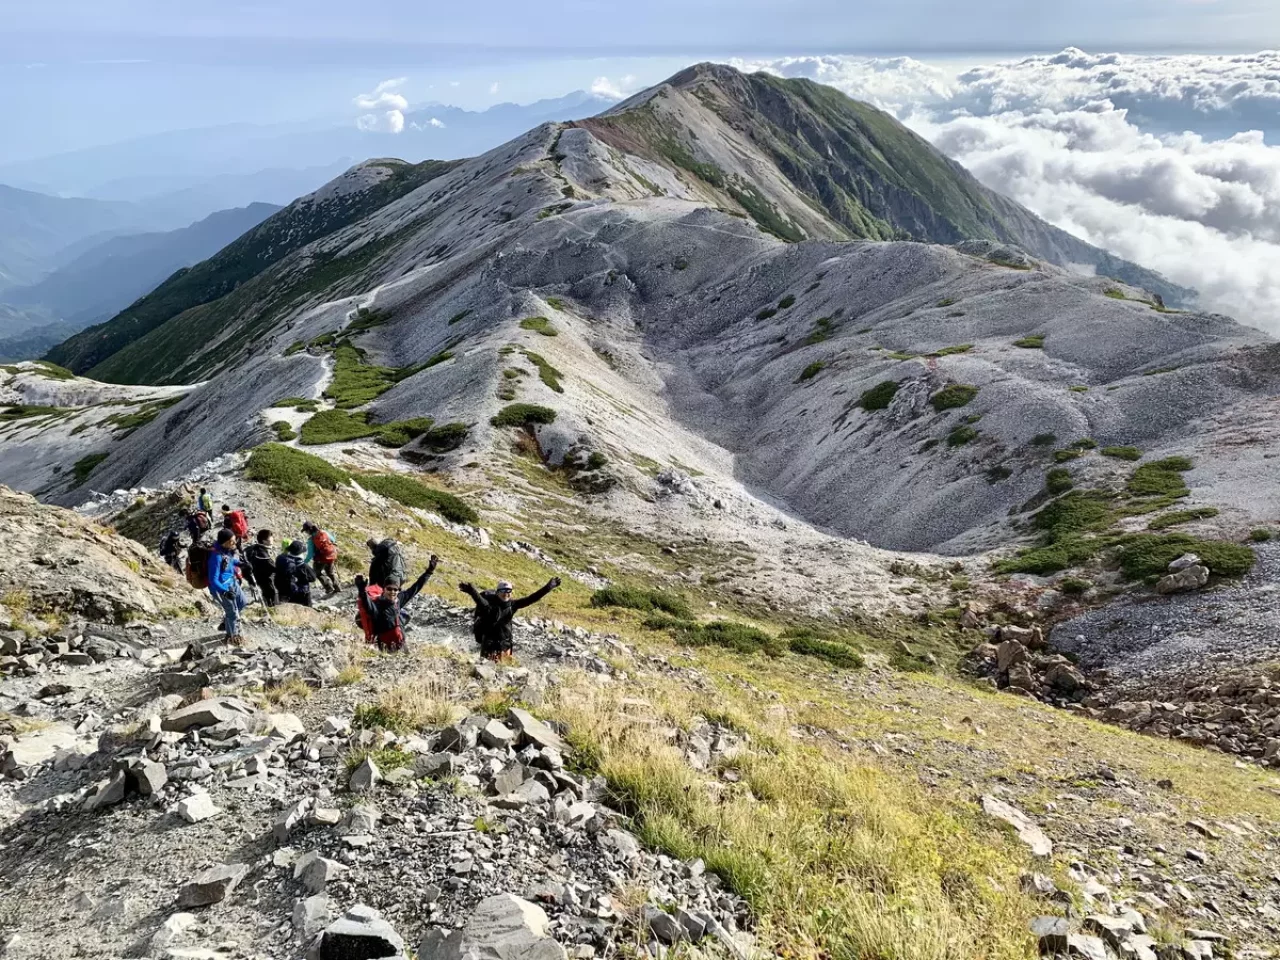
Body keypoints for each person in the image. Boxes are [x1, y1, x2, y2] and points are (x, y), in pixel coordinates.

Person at [459, 576, 561, 661]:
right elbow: (480, 601)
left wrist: (549, 587)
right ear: (497, 592)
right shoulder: (490, 606)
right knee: (486, 669)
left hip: (505, 644)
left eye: (509, 591)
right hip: (489, 644)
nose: (506, 593)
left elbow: (532, 598)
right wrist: (471, 591)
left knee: (506, 669)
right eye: (503, 590)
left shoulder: (513, 605)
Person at [355, 554, 438, 652]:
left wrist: (429, 572)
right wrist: (362, 591)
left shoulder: (399, 599)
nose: (392, 592)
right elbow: (368, 606)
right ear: (384, 589)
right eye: (389, 589)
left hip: (402, 643)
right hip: (385, 648)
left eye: (396, 589)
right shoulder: (377, 604)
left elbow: (415, 588)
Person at [207, 529, 246, 642]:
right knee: (232, 612)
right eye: (232, 541)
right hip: (222, 588)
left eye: (235, 540)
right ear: (224, 542)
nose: (235, 543)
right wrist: (224, 591)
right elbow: (213, 580)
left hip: (232, 582)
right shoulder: (215, 557)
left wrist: (241, 564)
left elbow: (230, 561)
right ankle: (232, 638)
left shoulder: (225, 551)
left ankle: (227, 622)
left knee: (242, 602)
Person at [301, 521, 340, 595]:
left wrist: (304, 562)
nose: (306, 533)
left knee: (317, 573)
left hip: (321, 559)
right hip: (331, 555)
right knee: (330, 572)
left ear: (309, 530)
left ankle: (329, 588)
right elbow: (333, 540)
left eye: (306, 531)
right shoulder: (324, 532)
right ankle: (338, 587)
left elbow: (310, 554)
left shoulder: (311, 540)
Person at [275, 539, 316, 607]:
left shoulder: (280, 559)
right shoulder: (302, 565)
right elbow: (313, 578)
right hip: (302, 593)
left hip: (286, 592)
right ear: (300, 553)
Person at [244, 529, 278, 608]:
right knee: (273, 595)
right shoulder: (262, 554)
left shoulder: (255, 548)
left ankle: (268, 607)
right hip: (266, 579)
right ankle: (273, 610)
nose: (272, 538)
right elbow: (274, 568)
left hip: (258, 578)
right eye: (270, 537)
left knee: (266, 594)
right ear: (264, 541)